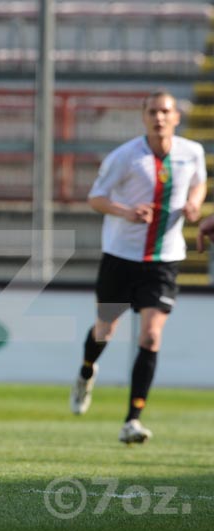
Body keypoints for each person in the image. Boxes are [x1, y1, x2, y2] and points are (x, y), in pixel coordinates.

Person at [70, 90, 207, 444]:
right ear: (143, 117)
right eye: (153, 112)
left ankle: (132, 419)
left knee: (151, 335)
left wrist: (194, 204)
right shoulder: (125, 157)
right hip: (121, 258)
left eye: (165, 111)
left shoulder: (192, 152)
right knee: (105, 329)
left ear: (176, 117)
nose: (159, 117)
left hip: (164, 260)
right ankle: (86, 372)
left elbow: (199, 184)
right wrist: (126, 212)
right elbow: (96, 198)